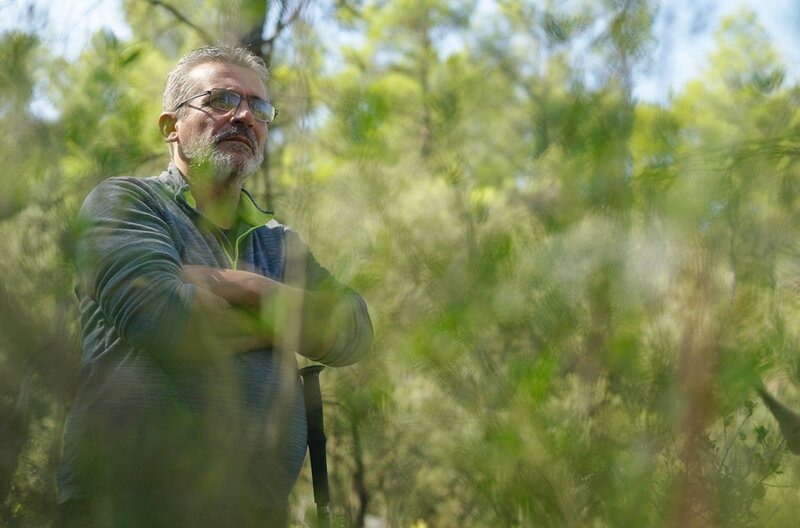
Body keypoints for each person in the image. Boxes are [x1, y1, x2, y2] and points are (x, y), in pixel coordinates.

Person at [57, 46, 373, 527]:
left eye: (259, 108)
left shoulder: (279, 243)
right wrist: (297, 323)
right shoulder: (125, 203)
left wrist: (250, 288)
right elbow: (164, 318)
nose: (245, 116)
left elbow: (354, 331)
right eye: (222, 99)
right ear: (171, 127)